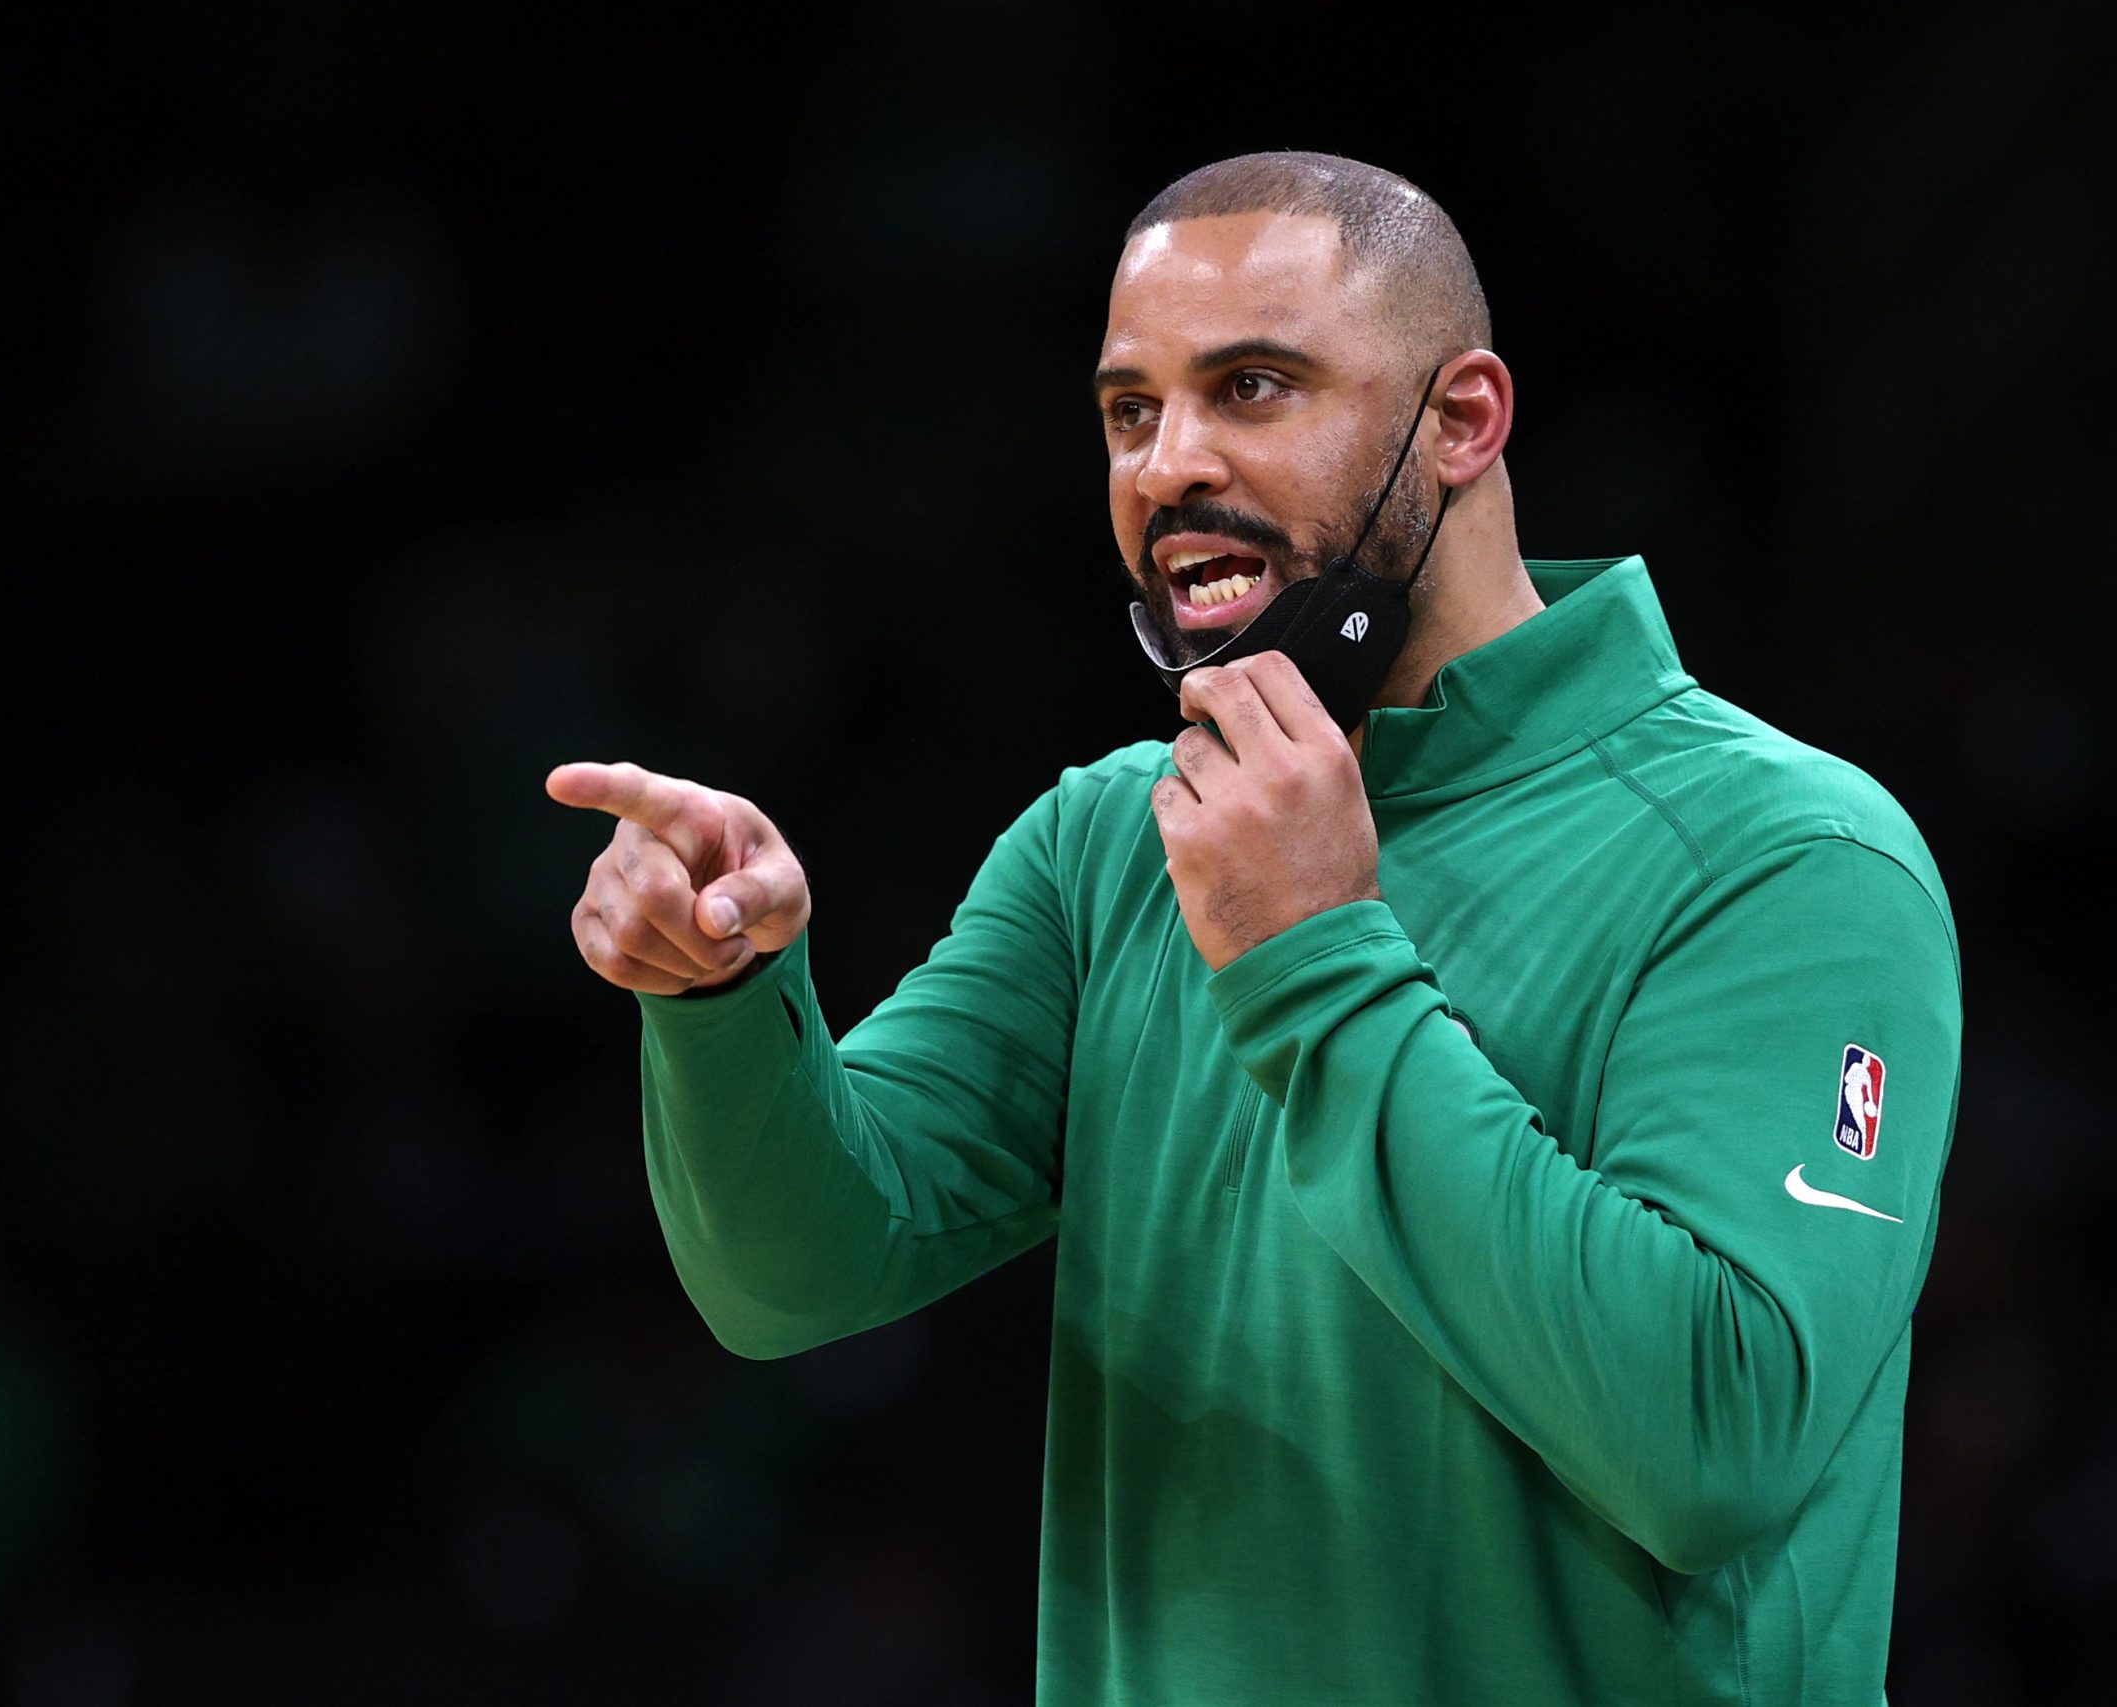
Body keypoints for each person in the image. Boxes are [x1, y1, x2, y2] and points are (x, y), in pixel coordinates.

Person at [546, 151, 1958, 1706]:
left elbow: (1710, 1443)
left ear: (1463, 422)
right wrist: (724, 996)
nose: (1167, 467)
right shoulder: (1114, 837)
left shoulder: (1793, 857)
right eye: (1129, 411)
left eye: (1255, 388)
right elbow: (790, 1278)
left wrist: (1313, 958)